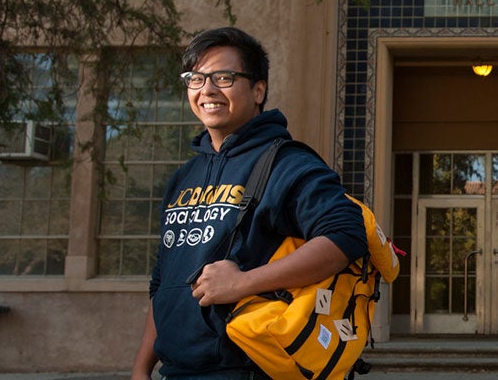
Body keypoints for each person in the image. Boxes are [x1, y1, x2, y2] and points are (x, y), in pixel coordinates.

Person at [130, 27, 368, 380]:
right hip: (176, 371)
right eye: (195, 79)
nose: (207, 90)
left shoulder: (287, 164)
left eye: (223, 77)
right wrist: (141, 368)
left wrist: (244, 282)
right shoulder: (184, 178)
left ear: (258, 90)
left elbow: (346, 235)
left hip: (248, 370)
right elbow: (164, 282)